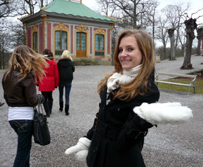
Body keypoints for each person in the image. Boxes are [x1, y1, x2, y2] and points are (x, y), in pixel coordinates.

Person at [65, 29, 160, 166]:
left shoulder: (147, 90)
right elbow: (102, 117)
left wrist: (143, 121)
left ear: (144, 52)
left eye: (130, 49)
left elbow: (124, 141)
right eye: (120, 50)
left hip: (119, 160)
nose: (123, 54)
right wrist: (88, 140)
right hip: (98, 154)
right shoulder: (114, 80)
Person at [2, 45, 48, 167]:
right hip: (24, 118)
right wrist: (41, 97)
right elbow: (33, 100)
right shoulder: (26, 74)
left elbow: (6, 97)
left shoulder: (7, 74)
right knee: (22, 154)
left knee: (25, 150)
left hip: (12, 117)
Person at [36, 49, 59, 117]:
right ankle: (50, 110)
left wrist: (37, 82)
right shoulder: (53, 62)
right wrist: (56, 84)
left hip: (43, 81)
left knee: (44, 97)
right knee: (50, 97)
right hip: (51, 81)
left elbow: (37, 73)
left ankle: (47, 112)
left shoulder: (40, 63)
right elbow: (56, 74)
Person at [57, 50, 75, 116]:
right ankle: (66, 110)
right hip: (68, 80)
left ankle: (61, 107)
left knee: (61, 94)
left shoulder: (59, 62)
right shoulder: (70, 62)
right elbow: (73, 70)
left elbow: (57, 71)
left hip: (61, 80)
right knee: (67, 95)